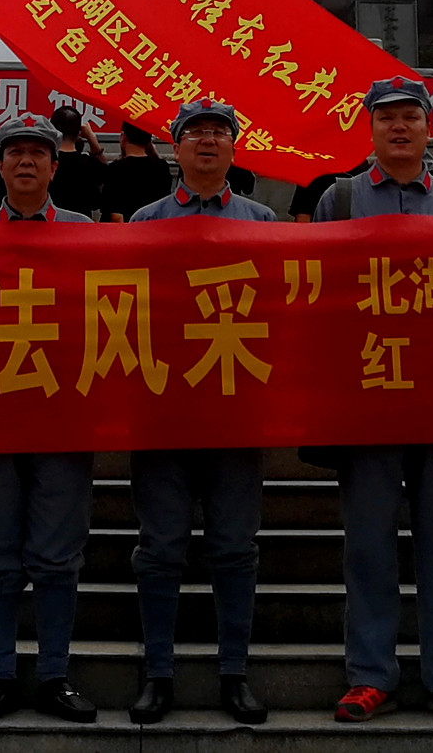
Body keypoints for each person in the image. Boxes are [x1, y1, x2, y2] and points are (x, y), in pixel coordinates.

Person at [313, 77, 433, 723]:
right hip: (365, 396)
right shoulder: (337, 199)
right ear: (369, 129)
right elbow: (318, 299)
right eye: (386, 117)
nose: (399, 127)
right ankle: (370, 674)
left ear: (430, 127)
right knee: (367, 542)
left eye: (410, 117)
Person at [121, 99, 274, 725]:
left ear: (235, 148)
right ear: (175, 148)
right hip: (163, 413)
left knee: (235, 548)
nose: (207, 142)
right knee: (160, 549)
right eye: (194, 133)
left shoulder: (263, 220)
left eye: (218, 133)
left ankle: (233, 674)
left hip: (238, 413)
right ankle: (158, 674)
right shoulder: (145, 221)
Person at [0, 113, 97, 724]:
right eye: (13, 152)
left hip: (64, 418)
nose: (24, 162)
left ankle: (53, 675)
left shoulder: (86, 233)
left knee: (56, 556)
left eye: (37, 154)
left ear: (54, 166)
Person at [97, 122, 174, 222]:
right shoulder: (161, 167)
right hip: (152, 231)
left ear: (123, 137)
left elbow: (113, 214)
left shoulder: (116, 169)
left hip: (124, 233)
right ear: (149, 141)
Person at [46, 104, 108, 216]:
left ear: (53, 131)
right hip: (81, 228)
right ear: (79, 133)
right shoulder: (90, 164)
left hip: (50, 226)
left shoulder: (45, 163)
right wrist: (91, 138)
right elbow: (107, 172)